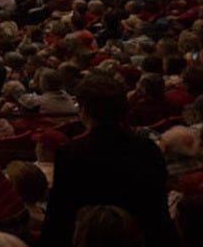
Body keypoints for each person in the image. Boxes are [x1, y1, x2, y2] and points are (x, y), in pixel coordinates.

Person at [41, 76, 177, 247]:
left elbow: (61, 212)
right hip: (143, 238)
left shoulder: (71, 153)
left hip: (90, 238)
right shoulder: (148, 149)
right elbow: (157, 210)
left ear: (84, 111)